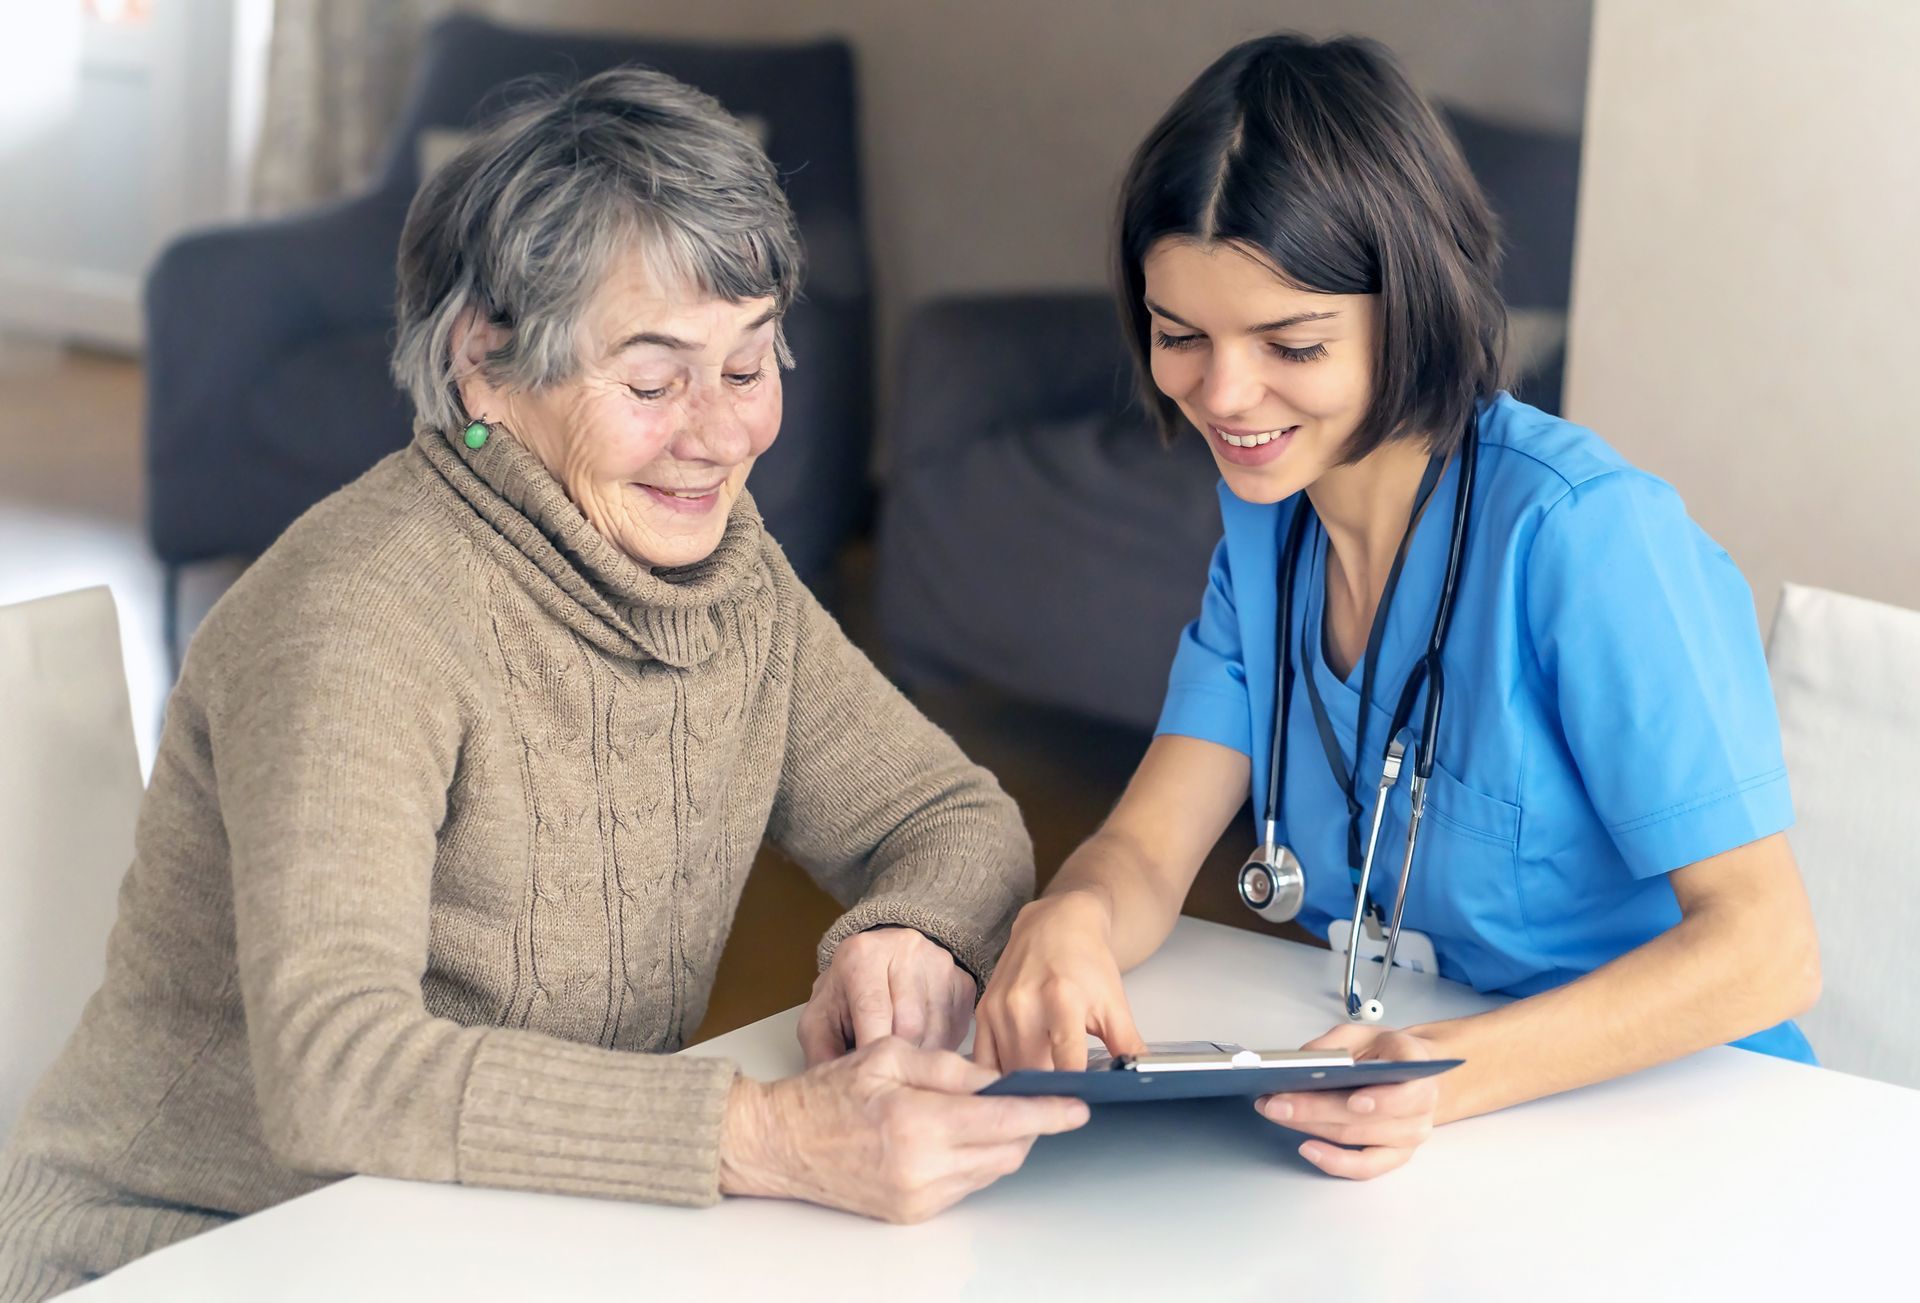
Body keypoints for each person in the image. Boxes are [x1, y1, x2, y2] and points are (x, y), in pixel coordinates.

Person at [0, 67, 1085, 1299]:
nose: (721, 435)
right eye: (653, 377)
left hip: (499, 1233)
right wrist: (770, 1133)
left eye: (748, 365)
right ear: (485, 362)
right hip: (196, 1247)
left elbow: (949, 816)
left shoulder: (730, 581)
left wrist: (908, 930)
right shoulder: (359, 615)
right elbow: (336, 1068)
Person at [974, 32, 1820, 1181]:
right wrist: (1067, 916)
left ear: (1410, 305)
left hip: (1690, 1129)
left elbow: (1765, 950)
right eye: (1181, 336)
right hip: (1427, 1132)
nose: (1225, 394)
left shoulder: (1583, 535)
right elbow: (1146, 849)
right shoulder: (1269, 533)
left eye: (1292, 343)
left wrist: (1438, 1072)